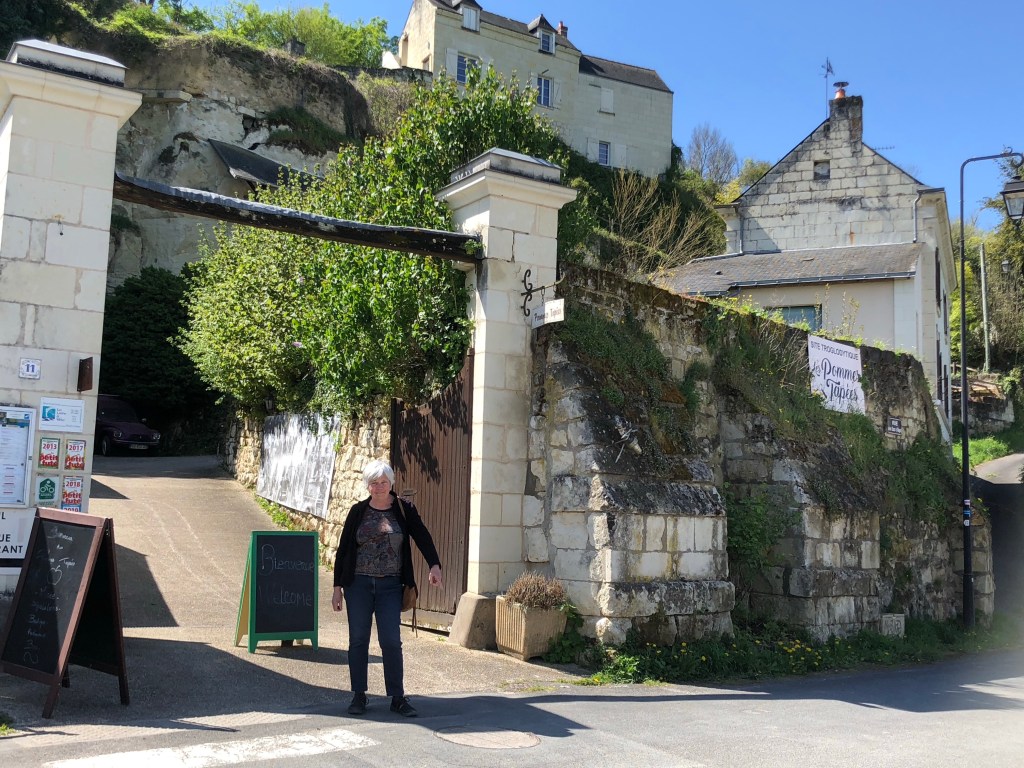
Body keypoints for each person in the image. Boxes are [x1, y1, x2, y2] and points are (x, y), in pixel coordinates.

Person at [332, 459, 443, 717]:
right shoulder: (357, 512)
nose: (379, 487)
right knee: (358, 640)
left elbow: (422, 536)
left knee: (391, 640)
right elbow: (344, 550)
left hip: (391, 586)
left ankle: (397, 697)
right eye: (374, 483)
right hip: (358, 585)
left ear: (391, 483)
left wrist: (434, 565)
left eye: (384, 482)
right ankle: (359, 695)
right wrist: (337, 588)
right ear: (367, 486)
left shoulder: (404, 509)